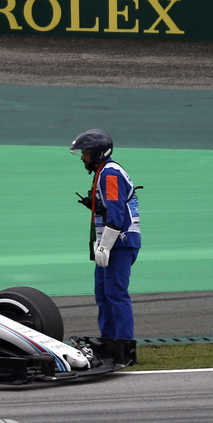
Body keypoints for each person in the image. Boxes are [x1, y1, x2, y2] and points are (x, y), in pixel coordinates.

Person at [71, 129, 141, 340]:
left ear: (99, 153)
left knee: (116, 294)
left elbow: (117, 213)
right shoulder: (104, 171)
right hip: (111, 241)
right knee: (103, 294)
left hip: (119, 242)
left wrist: (105, 245)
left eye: (86, 152)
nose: (82, 157)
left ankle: (123, 344)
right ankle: (109, 340)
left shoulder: (109, 174)